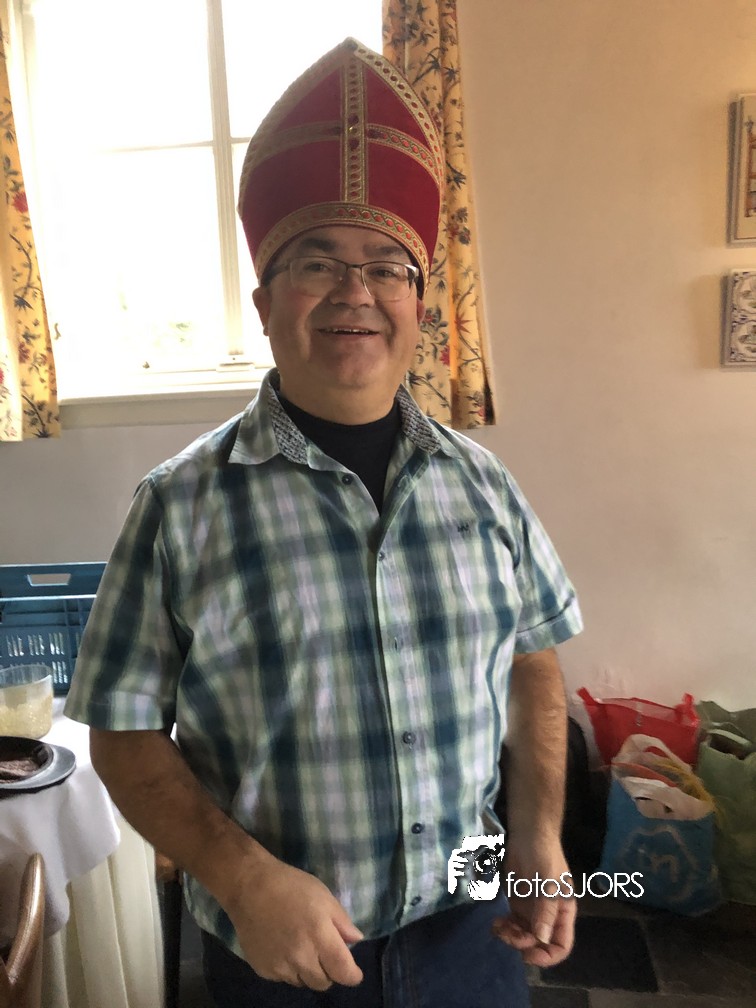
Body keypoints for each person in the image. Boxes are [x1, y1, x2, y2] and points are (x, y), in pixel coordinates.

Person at [65, 38, 583, 1007]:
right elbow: (122, 733)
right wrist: (244, 880)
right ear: (266, 304)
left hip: (474, 938)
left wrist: (539, 835)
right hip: (284, 957)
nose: (356, 292)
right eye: (318, 263)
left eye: (388, 267)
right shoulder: (177, 507)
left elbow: (534, 665)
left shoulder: (485, 489)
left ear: (421, 307)